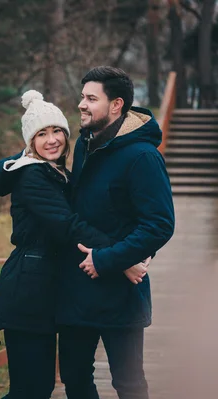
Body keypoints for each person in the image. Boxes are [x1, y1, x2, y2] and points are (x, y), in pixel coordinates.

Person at [0, 89, 150, 399]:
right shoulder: (33, 176)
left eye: (57, 132)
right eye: (41, 134)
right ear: (30, 143)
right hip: (27, 293)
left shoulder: (59, 174)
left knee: (40, 388)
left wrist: (135, 248)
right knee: (29, 390)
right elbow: (68, 226)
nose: (52, 140)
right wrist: (123, 259)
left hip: (49, 293)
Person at [54, 66, 175, 399]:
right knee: (75, 378)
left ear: (117, 105)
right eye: (82, 97)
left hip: (121, 294)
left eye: (91, 99)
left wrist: (109, 260)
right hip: (77, 289)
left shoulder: (143, 157)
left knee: (129, 383)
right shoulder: (84, 146)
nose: (82, 104)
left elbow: (160, 224)